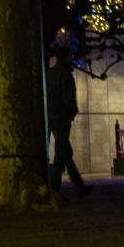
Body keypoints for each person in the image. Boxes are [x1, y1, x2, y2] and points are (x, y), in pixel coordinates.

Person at [45, 45, 85, 200]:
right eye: (70, 56)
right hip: (62, 118)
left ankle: (79, 186)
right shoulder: (65, 74)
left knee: (65, 152)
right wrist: (71, 112)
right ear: (66, 57)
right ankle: (54, 189)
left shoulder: (51, 73)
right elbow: (67, 98)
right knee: (61, 153)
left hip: (51, 117)